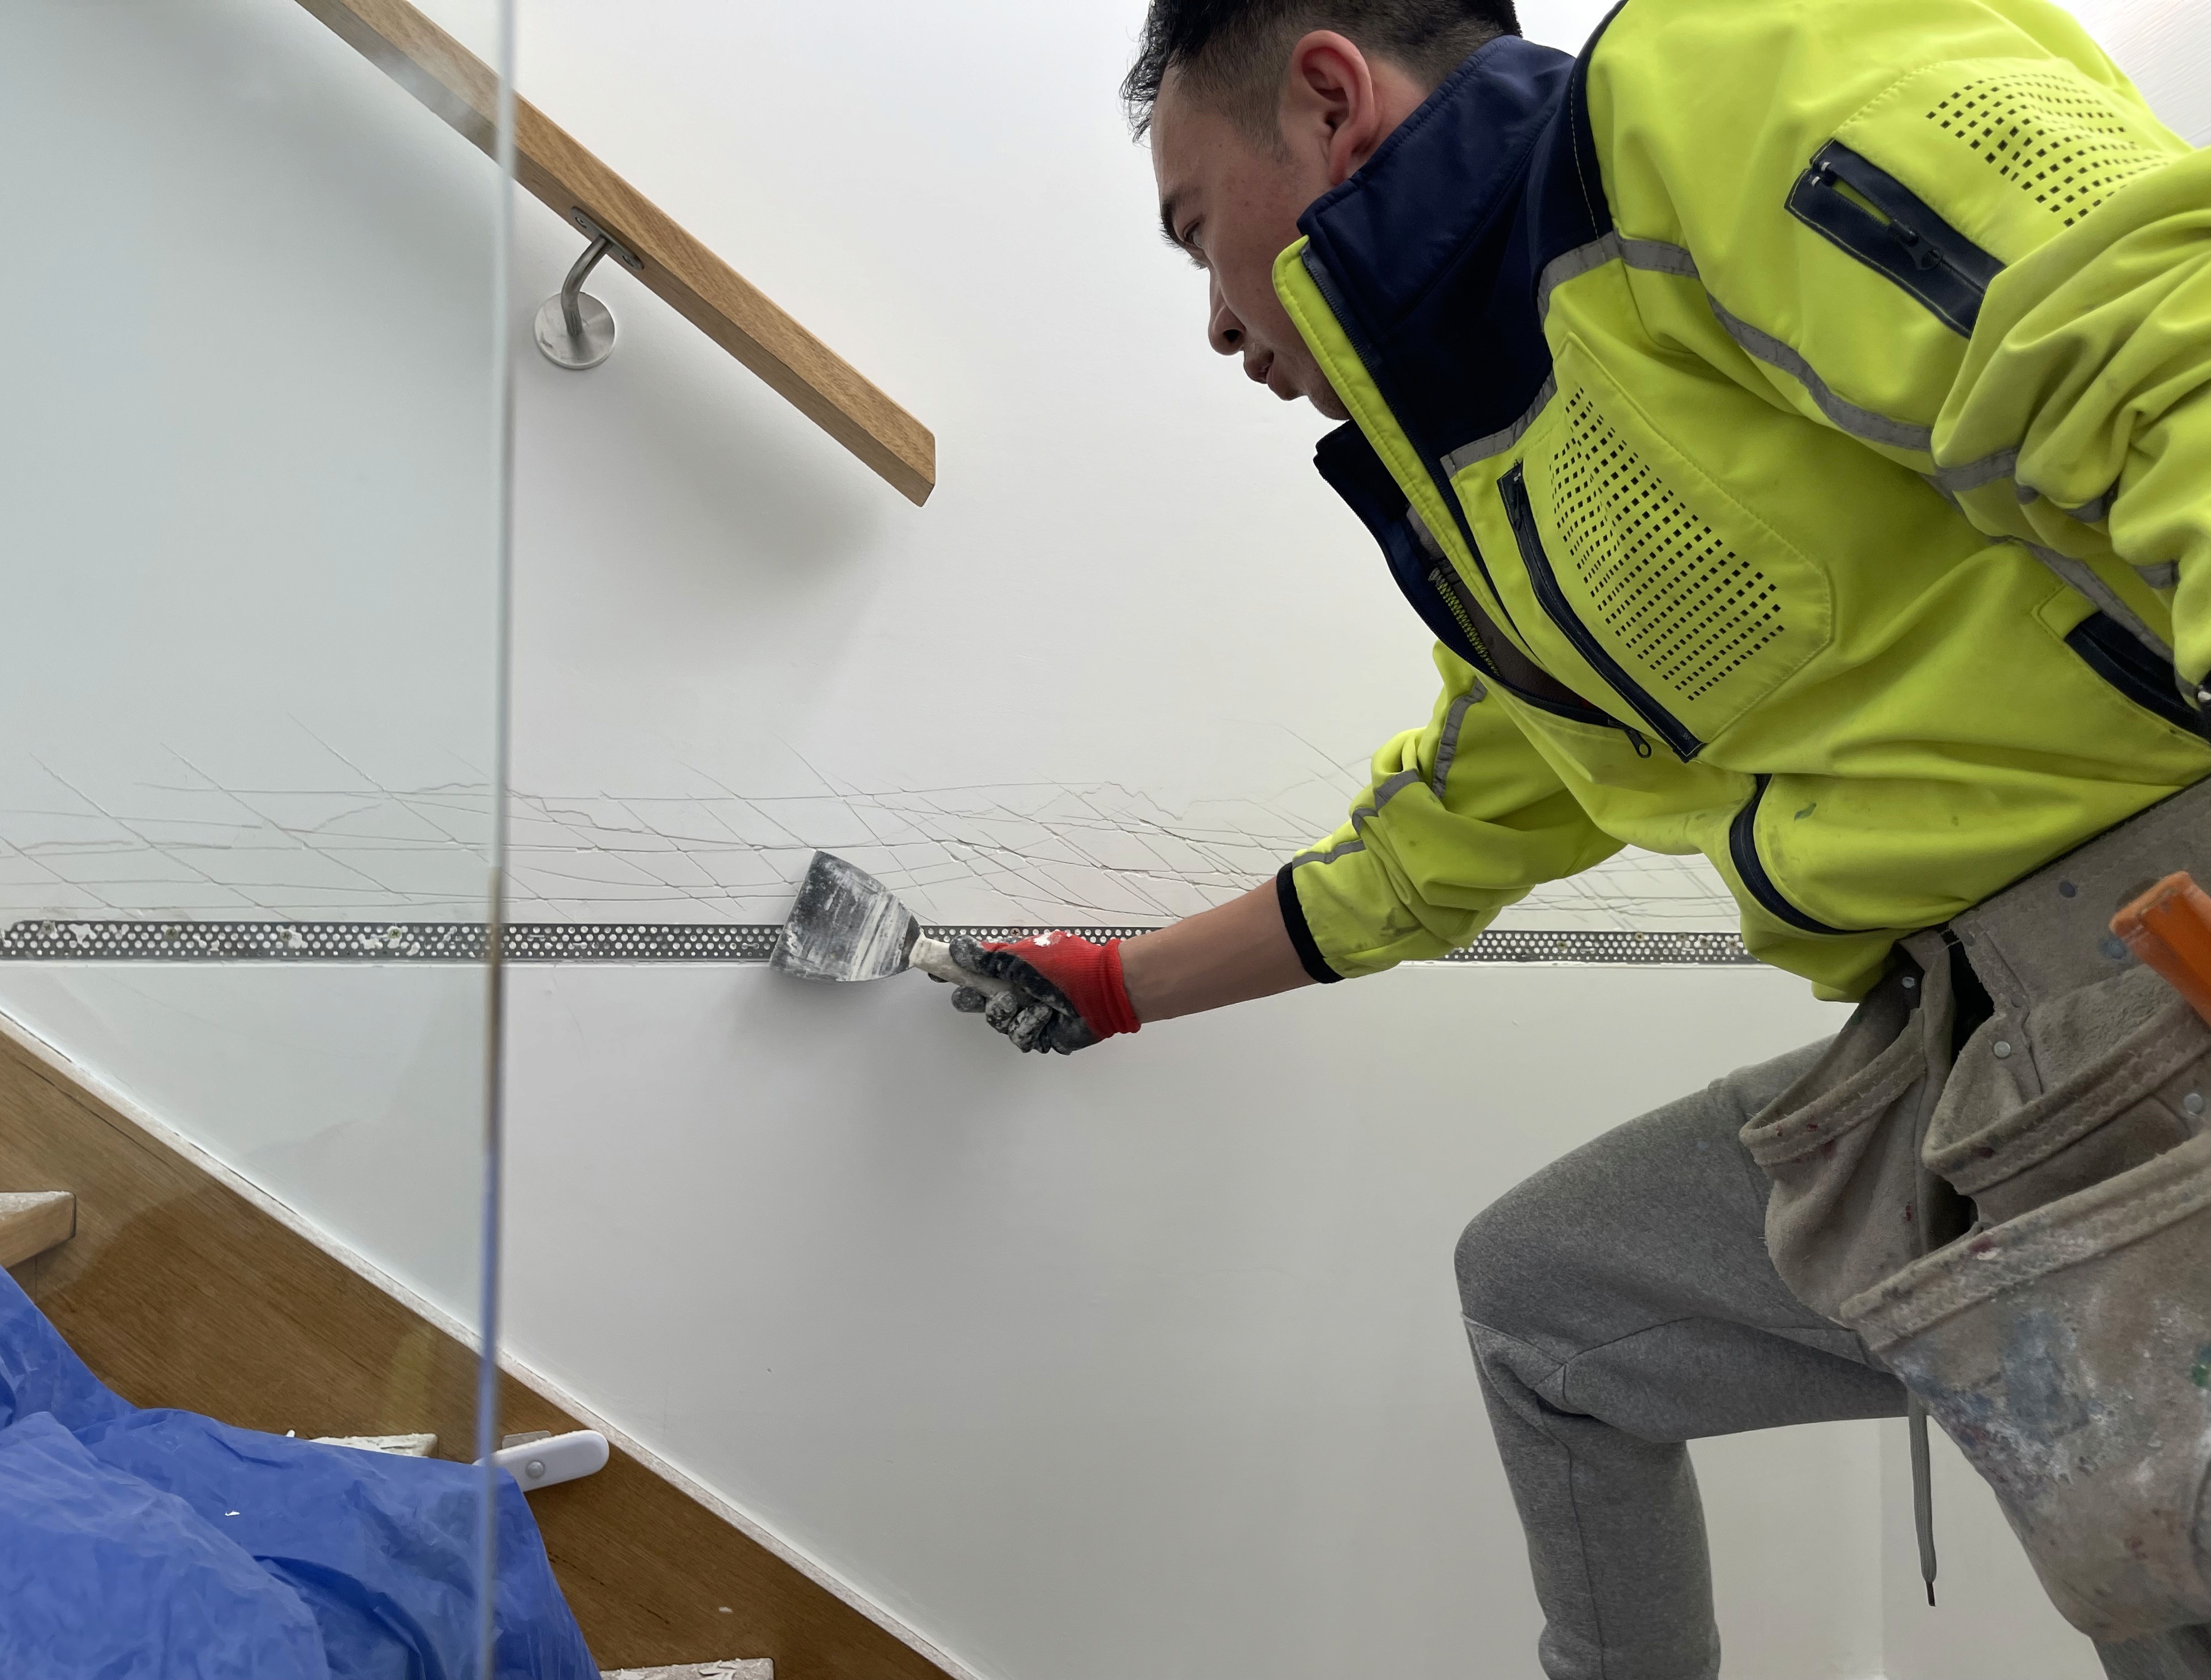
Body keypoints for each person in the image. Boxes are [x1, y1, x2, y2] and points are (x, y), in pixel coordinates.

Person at [944, 2, 2211, 1676]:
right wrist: (1119, 986)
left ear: (1330, 101)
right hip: (1961, 1046)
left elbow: (2161, 347)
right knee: (1549, 1305)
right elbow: (1451, 825)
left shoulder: (1719, 86)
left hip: (2154, 961)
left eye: (1200, 233)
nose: (1212, 322)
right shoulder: (1498, 484)